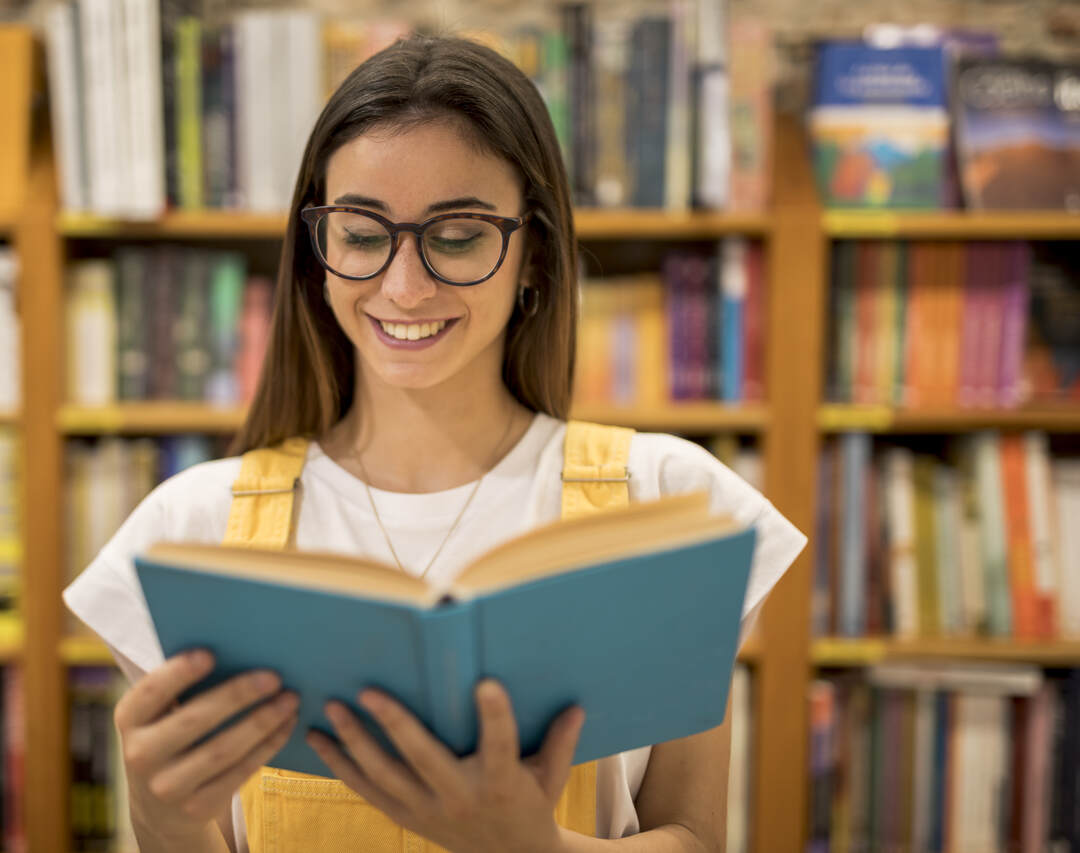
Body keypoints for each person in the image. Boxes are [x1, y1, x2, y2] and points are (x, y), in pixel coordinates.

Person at [64, 34, 806, 853]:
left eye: (456, 235)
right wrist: (160, 823)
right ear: (317, 253)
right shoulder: (189, 532)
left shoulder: (670, 502)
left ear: (534, 255)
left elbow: (696, 837)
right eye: (360, 232)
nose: (403, 285)